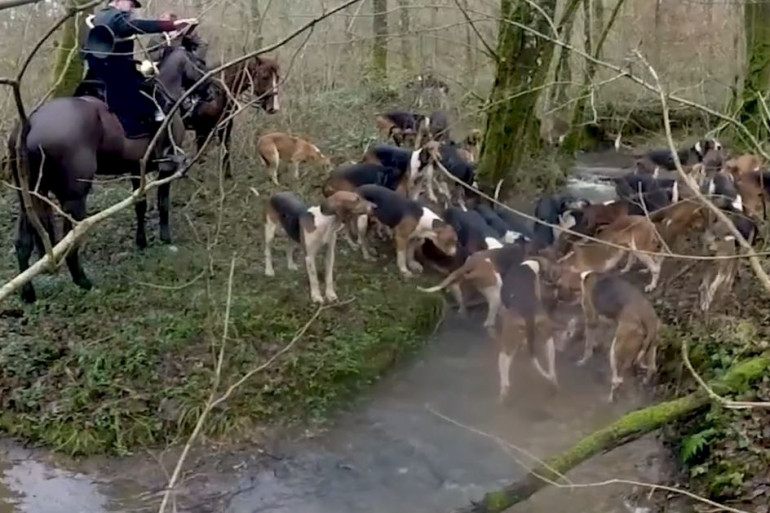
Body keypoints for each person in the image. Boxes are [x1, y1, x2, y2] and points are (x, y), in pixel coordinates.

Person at [81, 0, 198, 139]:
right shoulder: (116, 17)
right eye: (130, 4)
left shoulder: (97, 17)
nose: (131, 10)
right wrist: (171, 25)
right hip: (117, 75)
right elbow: (135, 25)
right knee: (153, 99)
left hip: (94, 74)